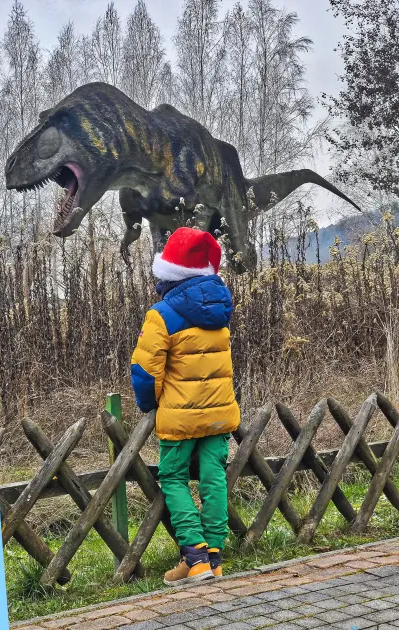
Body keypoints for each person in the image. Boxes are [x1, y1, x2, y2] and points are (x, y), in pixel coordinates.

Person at [130, 227, 239, 585]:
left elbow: (146, 372)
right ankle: (215, 559)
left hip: (179, 416)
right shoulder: (220, 311)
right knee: (213, 479)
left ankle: (194, 557)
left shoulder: (160, 315)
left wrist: (149, 405)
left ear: (167, 274)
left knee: (173, 477)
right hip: (220, 413)